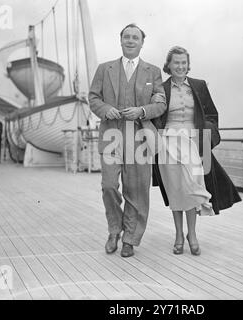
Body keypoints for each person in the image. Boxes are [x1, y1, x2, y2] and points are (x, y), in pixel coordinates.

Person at [152, 46, 241, 256]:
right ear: (169, 65)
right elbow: (155, 117)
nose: (180, 66)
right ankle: (178, 235)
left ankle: (192, 234)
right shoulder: (160, 88)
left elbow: (211, 115)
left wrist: (206, 140)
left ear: (188, 65)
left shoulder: (199, 86)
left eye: (184, 63)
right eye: (176, 63)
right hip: (168, 144)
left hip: (193, 144)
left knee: (192, 188)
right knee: (175, 190)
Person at [89, 24, 166, 258]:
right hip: (112, 134)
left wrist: (142, 111)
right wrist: (105, 109)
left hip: (140, 137)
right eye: (126, 37)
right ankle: (114, 230)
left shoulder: (152, 72)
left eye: (135, 37)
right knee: (109, 186)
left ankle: (130, 239)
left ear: (142, 42)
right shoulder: (105, 69)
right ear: (120, 40)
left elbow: (161, 103)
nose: (131, 40)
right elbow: (93, 97)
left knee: (137, 190)